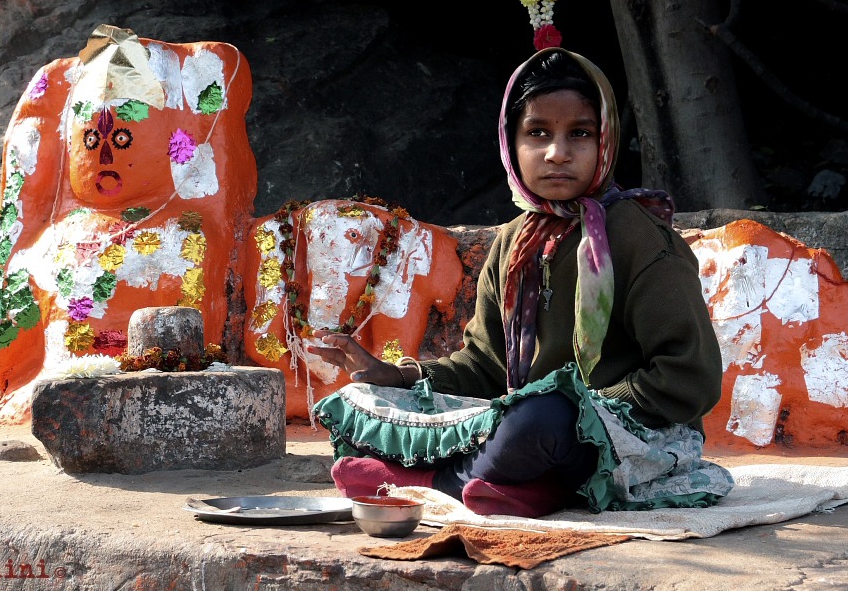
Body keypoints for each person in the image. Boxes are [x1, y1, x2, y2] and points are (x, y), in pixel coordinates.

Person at [308, 47, 731, 517]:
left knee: (536, 420)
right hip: (527, 423)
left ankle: (434, 482)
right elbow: (485, 369)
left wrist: (580, 406)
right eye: (538, 133)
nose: (557, 153)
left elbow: (689, 377)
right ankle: (526, 489)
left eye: (580, 134)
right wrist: (402, 377)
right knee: (362, 402)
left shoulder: (642, 240)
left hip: (637, 436)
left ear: (606, 141)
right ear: (511, 143)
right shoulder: (515, 242)